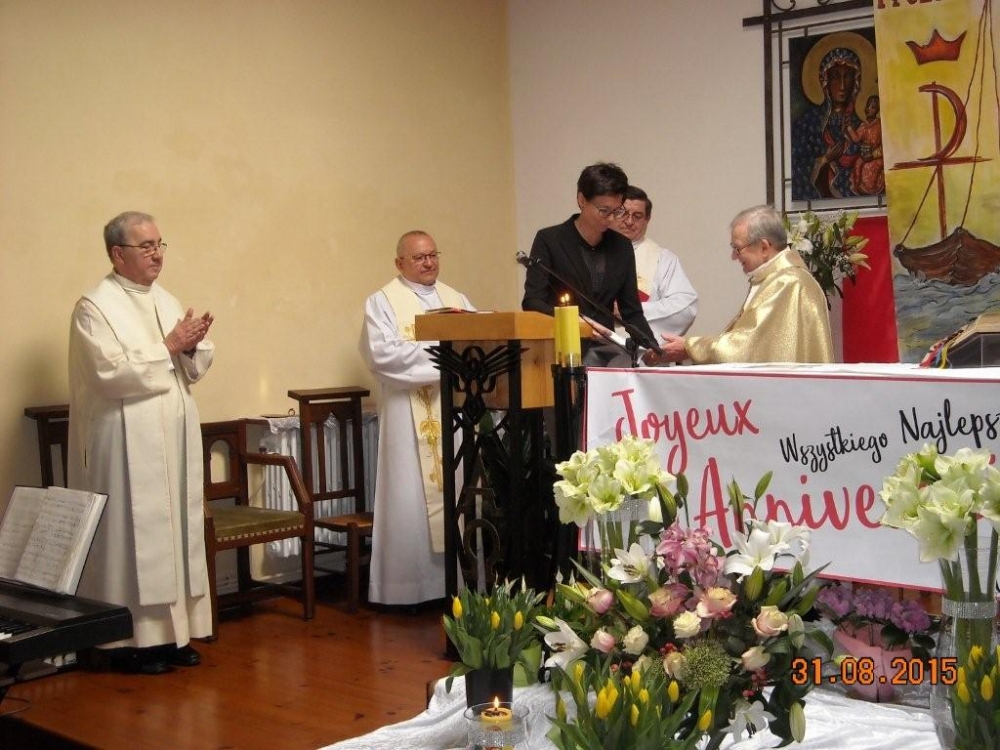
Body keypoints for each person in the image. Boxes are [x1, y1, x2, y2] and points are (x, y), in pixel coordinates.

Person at [68, 211, 215, 675]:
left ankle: (174, 636)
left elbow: (190, 369)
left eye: (159, 244)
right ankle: (128, 642)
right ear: (117, 254)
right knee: (132, 539)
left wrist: (191, 346)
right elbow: (108, 374)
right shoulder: (94, 307)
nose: (156, 254)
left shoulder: (166, 300)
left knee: (175, 535)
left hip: (172, 440)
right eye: (145, 246)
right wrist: (170, 346)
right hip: (124, 441)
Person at [360, 231, 474, 606]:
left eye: (433, 255)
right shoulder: (382, 302)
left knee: (456, 493)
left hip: (452, 413)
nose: (428, 262)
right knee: (407, 496)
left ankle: (455, 585)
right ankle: (406, 589)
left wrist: (447, 357)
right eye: (419, 257)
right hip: (405, 417)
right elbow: (384, 355)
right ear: (400, 263)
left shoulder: (456, 300)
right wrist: (447, 358)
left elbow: (476, 346)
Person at [521, 162, 659, 366]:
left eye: (617, 211)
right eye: (604, 210)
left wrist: (651, 346)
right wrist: (577, 322)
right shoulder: (550, 240)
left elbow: (631, 311)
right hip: (560, 352)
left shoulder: (622, 246)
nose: (611, 219)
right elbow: (532, 302)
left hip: (606, 353)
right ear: (581, 200)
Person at [660, 205, 833, 364]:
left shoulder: (787, 282)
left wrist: (690, 347)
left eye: (737, 248)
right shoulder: (777, 278)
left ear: (764, 247)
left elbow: (745, 347)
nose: (733, 257)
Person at [616, 185, 698, 340]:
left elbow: (685, 307)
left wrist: (631, 310)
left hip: (638, 350)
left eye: (637, 216)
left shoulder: (664, 260)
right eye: (624, 213)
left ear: (647, 219)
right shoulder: (594, 252)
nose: (629, 221)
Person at [791, 46, 863, 200]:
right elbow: (798, 167)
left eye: (847, 76)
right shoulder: (809, 122)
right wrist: (824, 159)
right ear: (825, 81)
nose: (842, 86)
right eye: (835, 77)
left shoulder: (861, 124)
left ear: (855, 81)